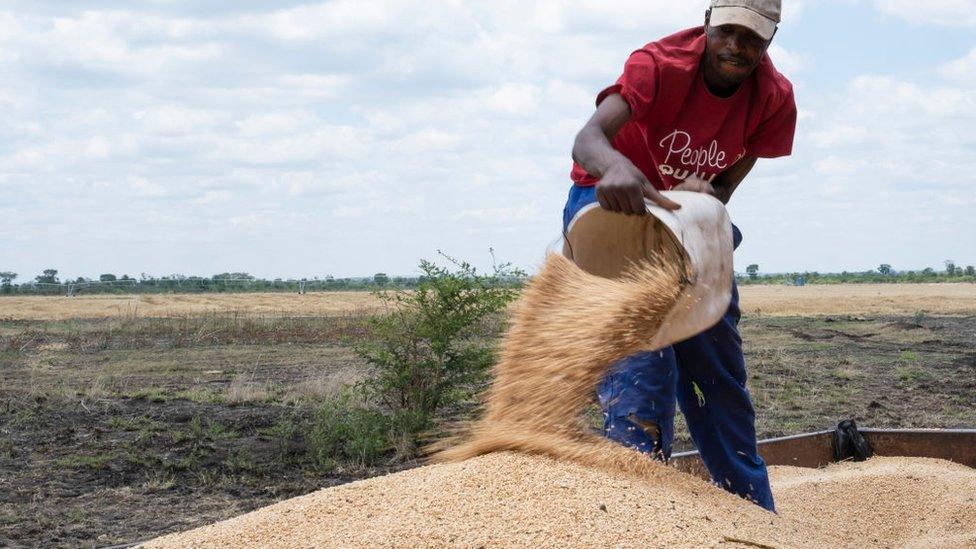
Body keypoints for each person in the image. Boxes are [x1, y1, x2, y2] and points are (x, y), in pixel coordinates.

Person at [564, 0, 796, 511]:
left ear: (771, 39)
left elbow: (734, 172)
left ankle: (751, 510)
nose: (737, 47)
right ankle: (640, 510)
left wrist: (707, 193)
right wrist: (615, 168)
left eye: (753, 38)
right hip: (612, 203)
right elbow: (588, 140)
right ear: (709, 22)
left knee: (716, 363)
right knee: (643, 360)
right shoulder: (659, 65)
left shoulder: (773, 96)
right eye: (729, 31)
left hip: (682, 216)